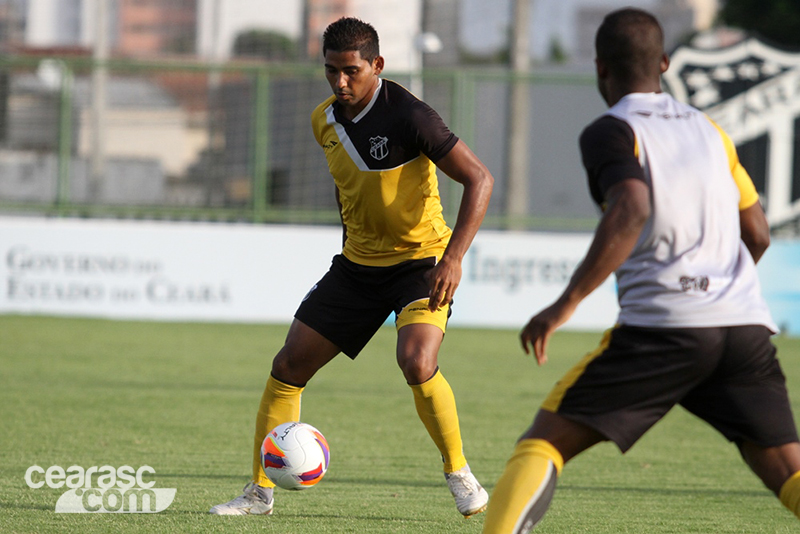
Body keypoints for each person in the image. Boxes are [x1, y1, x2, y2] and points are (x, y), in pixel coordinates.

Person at [481, 7, 800, 533]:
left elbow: (631, 208)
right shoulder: (710, 131)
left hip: (666, 328)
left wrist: (563, 306)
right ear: (666, 64)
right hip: (742, 327)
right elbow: (758, 233)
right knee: (786, 467)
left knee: (543, 442)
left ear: (600, 67)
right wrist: (722, 288)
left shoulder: (612, 130)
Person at [210, 17, 494, 518]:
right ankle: (258, 494)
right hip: (358, 268)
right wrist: (352, 260)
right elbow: (353, 197)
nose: (340, 82)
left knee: (417, 362)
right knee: (287, 367)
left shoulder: (411, 115)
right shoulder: (324, 121)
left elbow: (480, 180)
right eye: (331, 71)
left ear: (376, 66)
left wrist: (452, 259)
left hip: (420, 263)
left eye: (351, 71)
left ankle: (459, 473)